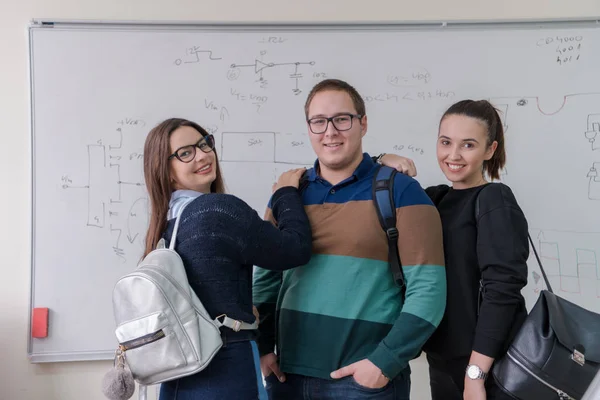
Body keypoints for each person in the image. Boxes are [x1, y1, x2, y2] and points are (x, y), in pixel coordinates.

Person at [253, 79, 446, 400]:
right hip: (287, 378)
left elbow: (429, 290)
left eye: (342, 119)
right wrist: (261, 347)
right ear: (309, 127)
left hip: (364, 382)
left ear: (363, 123)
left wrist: (383, 364)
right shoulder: (287, 196)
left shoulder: (401, 191)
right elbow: (266, 281)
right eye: (319, 121)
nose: (330, 131)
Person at [142, 118, 313, 400]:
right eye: (185, 153)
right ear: (167, 171)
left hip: (176, 378)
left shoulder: (165, 226)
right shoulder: (219, 210)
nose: (202, 154)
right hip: (224, 369)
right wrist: (286, 192)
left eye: (204, 143)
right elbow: (295, 249)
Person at [384, 100, 529, 400]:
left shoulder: (494, 199)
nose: (453, 155)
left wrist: (476, 373)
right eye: (446, 142)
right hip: (443, 361)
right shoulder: (434, 200)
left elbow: (502, 289)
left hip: (490, 366)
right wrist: (383, 158)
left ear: (490, 150)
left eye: (468, 145)